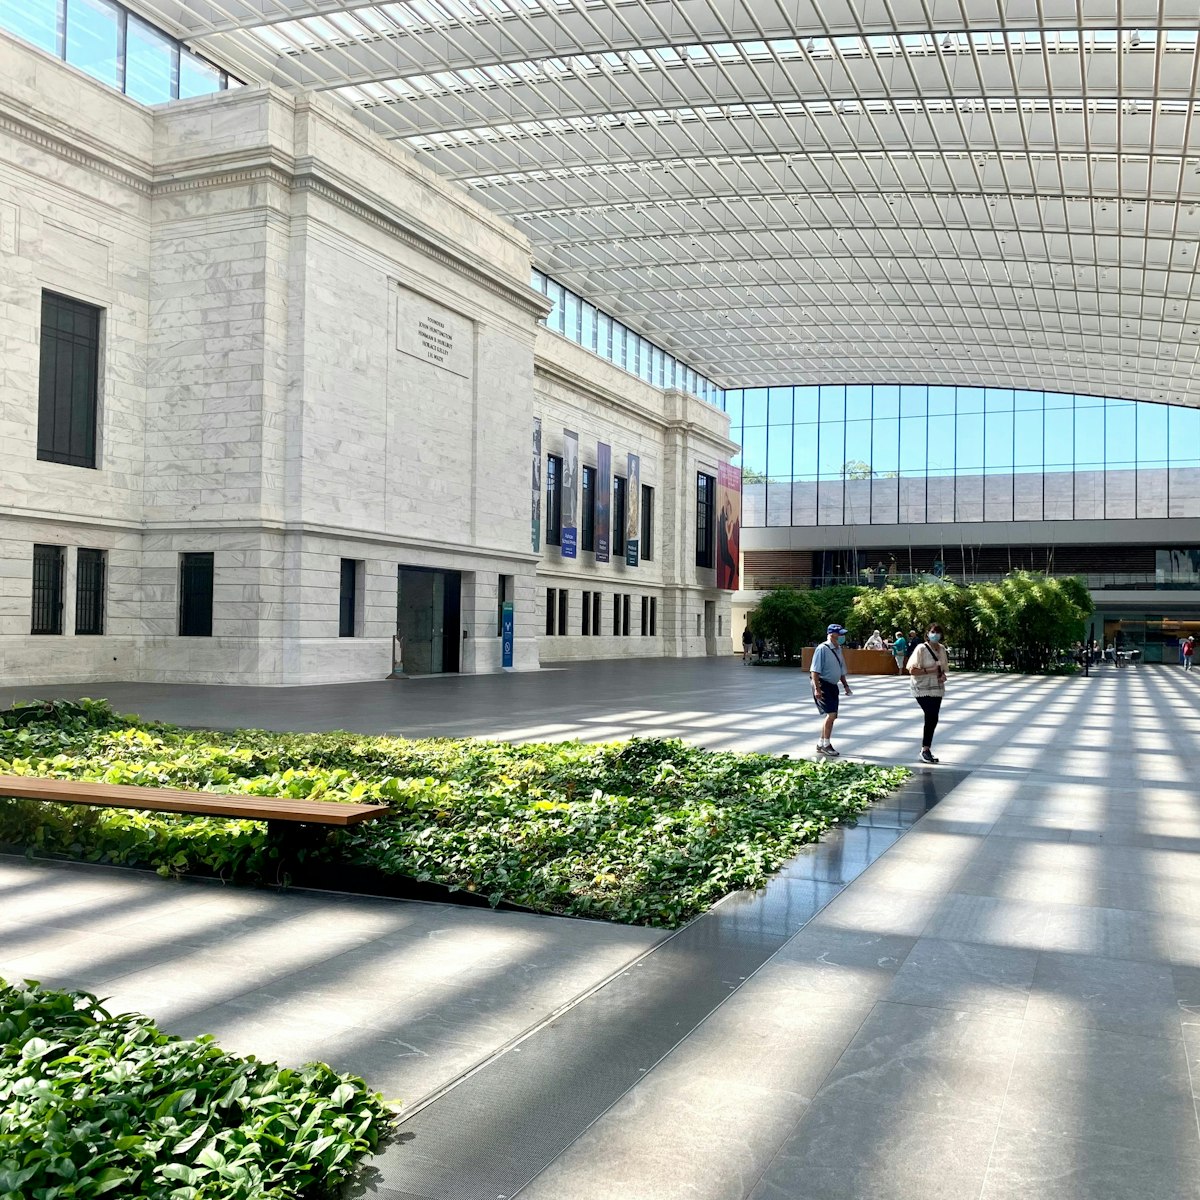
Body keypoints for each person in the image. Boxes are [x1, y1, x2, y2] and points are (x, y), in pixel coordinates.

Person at [908, 622, 948, 764]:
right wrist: (929, 670)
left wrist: (942, 675)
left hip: (937, 687)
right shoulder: (921, 648)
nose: (935, 635)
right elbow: (912, 670)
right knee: (930, 714)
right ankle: (925, 750)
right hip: (921, 687)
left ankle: (926, 749)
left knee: (933, 718)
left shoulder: (942, 649)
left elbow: (943, 668)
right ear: (927, 634)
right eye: (933, 632)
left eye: (938, 632)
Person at [811, 623, 852, 757]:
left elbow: (841, 669)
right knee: (831, 715)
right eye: (839, 633)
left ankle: (821, 743)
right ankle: (826, 744)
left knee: (832, 715)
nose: (842, 636)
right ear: (831, 634)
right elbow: (815, 671)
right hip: (823, 684)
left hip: (833, 685)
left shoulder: (838, 649)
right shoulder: (822, 649)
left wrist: (845, 685)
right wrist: (817, 689)